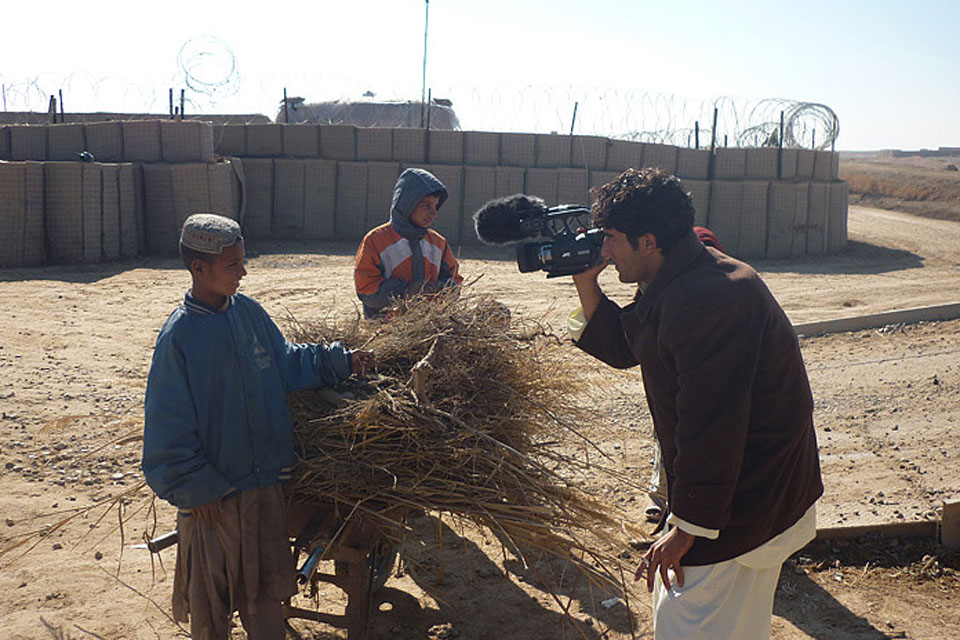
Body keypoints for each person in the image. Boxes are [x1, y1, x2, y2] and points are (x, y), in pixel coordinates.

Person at [568, 168, 822, 639]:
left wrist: (688, 528)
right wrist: (587, 283)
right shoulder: (685, 277)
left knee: (689, 625)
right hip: (744, 498)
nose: (604, 251)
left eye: (612, 239)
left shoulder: (709, 299)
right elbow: (632, 344)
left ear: (647, 242)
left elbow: (714, 427)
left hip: (742, 506)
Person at [142, 213, 374, 640]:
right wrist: (196, 487)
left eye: (242, 262)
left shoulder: (248, 314)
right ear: (200, 268)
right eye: (233, 265)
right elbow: (166, 427)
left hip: (265, 488)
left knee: (265, 599)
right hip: (217, 501)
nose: (243, 272)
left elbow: (286, 362)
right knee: (212, 609)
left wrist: (340, 360)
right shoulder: (180, 337)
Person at [644, 225, 724, 523]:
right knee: (664, 437)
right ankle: (659, 497)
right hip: (667, 385)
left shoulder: (723, 292)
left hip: (693, 387)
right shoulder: (660, 292)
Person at [354, 167, 463, 318]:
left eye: (435, 206)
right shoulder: (376, 240)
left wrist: (442, 288)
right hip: (386, 330)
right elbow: (366, 288)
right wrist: (405, 292)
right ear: (407, 204)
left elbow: (455, 280)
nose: (433, 213)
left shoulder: (438, 243)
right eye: (426, 205)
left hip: (429, 327)